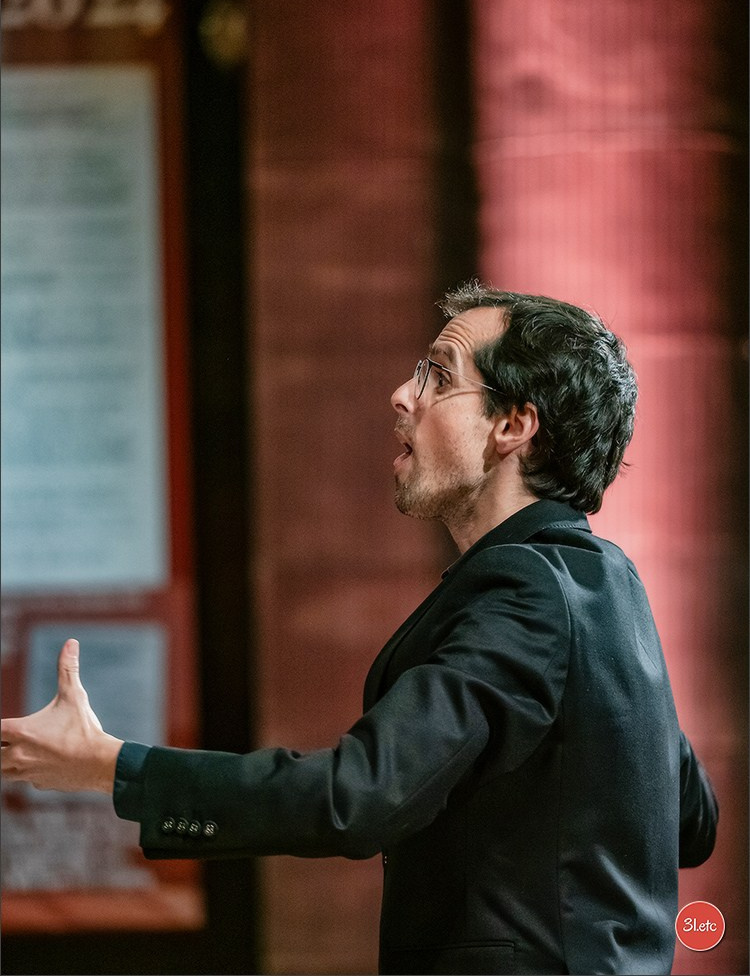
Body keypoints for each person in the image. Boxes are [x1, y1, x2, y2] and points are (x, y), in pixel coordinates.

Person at [1, 283, 718, 975]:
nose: (402, 396)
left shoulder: (526, 589)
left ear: (513, 426)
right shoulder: (609, 586)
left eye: (437, 376)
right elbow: (692, 820)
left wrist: (114, 768)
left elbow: (359, 796)